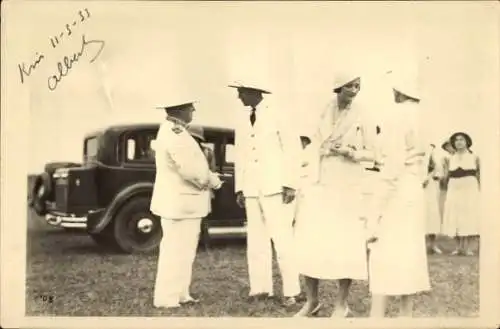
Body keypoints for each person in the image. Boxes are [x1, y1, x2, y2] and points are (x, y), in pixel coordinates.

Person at [293, 72, 377, 317]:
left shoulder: (364, 113)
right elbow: (308, 145)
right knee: (311, 240)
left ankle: (342, 304)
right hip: (318, 183)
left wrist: (350, 152)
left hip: (347, 186)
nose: (354, 90)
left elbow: (373, 152)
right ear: (338, 88)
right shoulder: (321, 110)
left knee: (345, 242)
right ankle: (312, 301)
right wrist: (319, 151)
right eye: (350, 86)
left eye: (358, 86)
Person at [228, 80, 303, 307]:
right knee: (256, 239)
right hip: (252, 187)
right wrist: (240, 187)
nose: (239, 96)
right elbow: (240, 153)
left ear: (253, 92)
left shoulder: (278, 113)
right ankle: (260, 289)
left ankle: (292, 291)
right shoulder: (242, 118)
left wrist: (290, 183)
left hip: (275, 186)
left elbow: (292, 150)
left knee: (282, 239)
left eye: (241, 92)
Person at [368, 72, 431, 318]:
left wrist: (378, 206)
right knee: (409, 251)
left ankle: (377, 315)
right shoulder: (423, 116)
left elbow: (392, 165)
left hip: (396, 190)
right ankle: (406, 315)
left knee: (382, 249)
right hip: (413, 189)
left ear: (397, 92)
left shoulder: (397, 115)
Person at [150, 100, 223, 309]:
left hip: (183, 203)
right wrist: (213, 180)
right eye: (190, 107)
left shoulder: (175, 131)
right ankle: (167, 299)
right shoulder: (175, 133)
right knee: (175, 250)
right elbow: (191, 170)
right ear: (180, 110)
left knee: (185, 250)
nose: (193, 110)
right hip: (180, 203)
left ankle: (181, 293)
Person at [441, 132, 480, 256]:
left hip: (469, 187)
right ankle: (458, 247)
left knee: (468, 214)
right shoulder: (450, 158)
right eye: (456, 140)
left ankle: (467, 247)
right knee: (455, 214)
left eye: (461, 139)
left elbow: (479, 173)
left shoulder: (475, 157)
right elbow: (446, 176)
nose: (459, 142)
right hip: (454, 187)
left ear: (467, 142)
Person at [423, 144, 443, 254]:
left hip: (430, 188)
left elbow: (438, 173)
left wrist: (431, 177)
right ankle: (420, 244)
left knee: (432, 214)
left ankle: (433, 244)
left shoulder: (433, 159)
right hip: (415, 185)